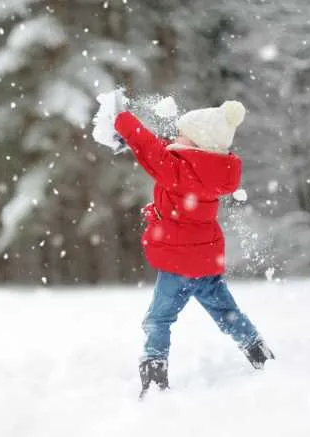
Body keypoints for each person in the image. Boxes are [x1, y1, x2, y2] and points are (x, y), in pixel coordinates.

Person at [112, 100, 274, 398]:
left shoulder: (178, 170)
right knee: (226, 312)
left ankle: (154, 377)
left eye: (181, 136)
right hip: (204, 260)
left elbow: (152, 150)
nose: (174, 138)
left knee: (158, 319)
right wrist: (130, 140)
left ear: (197, 145)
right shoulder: (207, 170)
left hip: (179, 264)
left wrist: (122, 119)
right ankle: (260, 354)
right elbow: (164, 151)